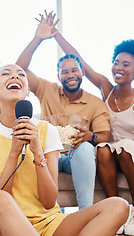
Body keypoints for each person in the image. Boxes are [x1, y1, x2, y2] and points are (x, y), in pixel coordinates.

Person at [0, 63, 129, 236]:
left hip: (47, 224)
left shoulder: (47, 130)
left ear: (28, 91)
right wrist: (14, 154)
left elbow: (49, 201)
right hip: (1, 228)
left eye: (21, 74)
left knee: (118, 206)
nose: (15, 77)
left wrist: (37, 153)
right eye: (6, 74)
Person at [51, 20, 134, 235]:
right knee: (102, 147)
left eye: (125, 64)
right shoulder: (106, 88)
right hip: (109, 155)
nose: (118, 67)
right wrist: (56, 35)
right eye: (116, 62)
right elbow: (79, 59)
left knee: (126, 146)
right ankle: (116, 210)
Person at [16, 11, 110, 210]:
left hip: (75, 152)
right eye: (64, 72)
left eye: (74, 70)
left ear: (82, 73)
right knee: (36, 152)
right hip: (50, 153)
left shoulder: (95, 103)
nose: (70, 75)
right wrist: (37, 39)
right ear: (58, 76)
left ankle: (86, 211)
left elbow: (105, 135)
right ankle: (51, 214)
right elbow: (19, 69)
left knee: (85, 148)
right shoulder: (46, 90)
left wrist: (90, 136)